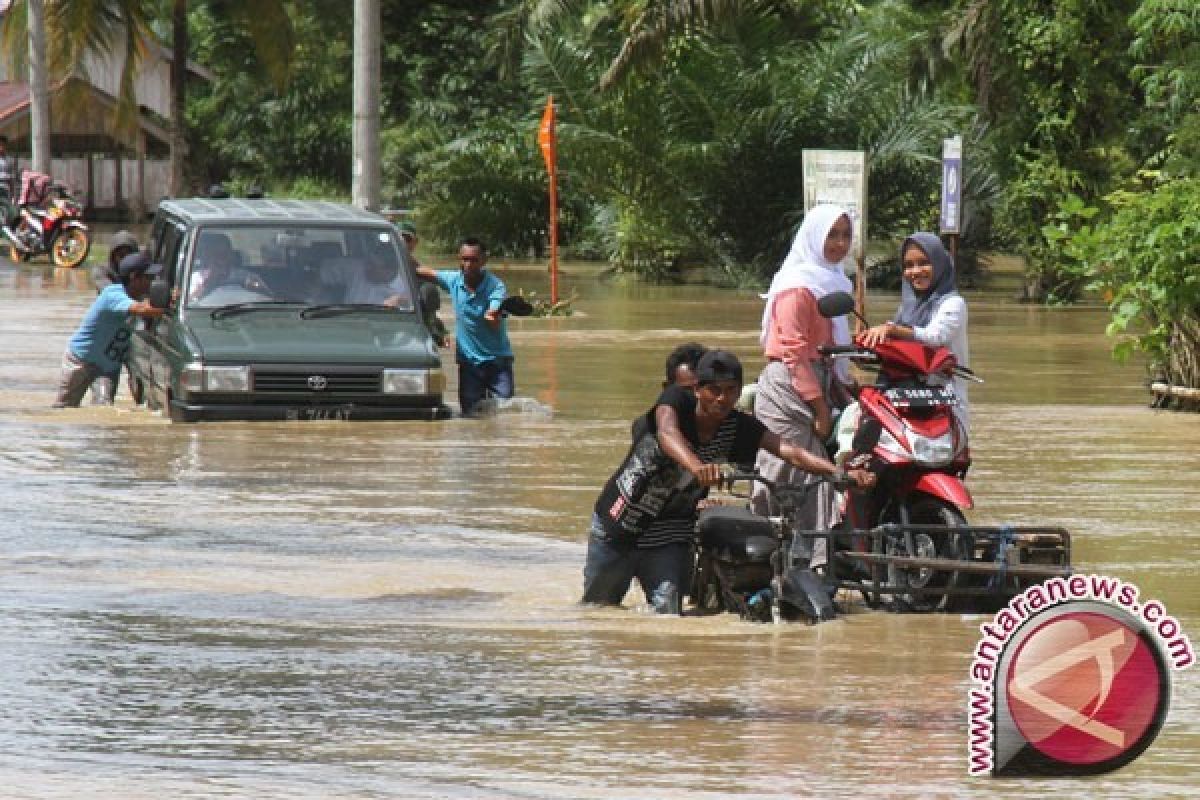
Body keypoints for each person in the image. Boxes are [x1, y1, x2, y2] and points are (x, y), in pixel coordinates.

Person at [582, 349, 872, 615]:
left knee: (667, 616)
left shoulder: (737, 427)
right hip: (619, 526)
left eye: (731, 391)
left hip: (669, 534)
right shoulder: (675, 402)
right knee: (599, 611)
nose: (722, 399)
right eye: (714, 391)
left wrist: (839, 474)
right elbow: (667, 434)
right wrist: (697, 466)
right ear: (697, 390)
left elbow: (790, 451)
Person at [751, 204, 856, 538]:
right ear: (813, 237)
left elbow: (832, 349)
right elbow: (794, 353)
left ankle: (818, 560)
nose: (840, 244)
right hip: (790, 388)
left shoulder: (834, 282)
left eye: (846, 235)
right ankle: (768, 555)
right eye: (832, 235)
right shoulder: (797, 287)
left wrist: (849, 384)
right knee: (788, 473)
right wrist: (820, 407)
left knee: (817, 479)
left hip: (819, 380)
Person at [860, 232, 970, 430]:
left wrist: (893, 330)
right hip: (906, 398)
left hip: (945, 402)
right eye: (908, 265)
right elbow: (896, 348)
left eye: (923, 263)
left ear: (939, 264)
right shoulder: (907, 308)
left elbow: (936, 336)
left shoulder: (953, 303)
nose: (915, 271)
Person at [416, 237, 515, 415]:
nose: (468, 264)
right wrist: (400, 254)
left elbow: (494, 310)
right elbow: (424, 272)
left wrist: (492, 315)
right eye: (465, 259)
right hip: (469, 364)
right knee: (470, 415)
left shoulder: (495, 286)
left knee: (505, 414)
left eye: (474, 260)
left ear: (484, 260)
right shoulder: (454, 281)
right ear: (459, 259)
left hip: (498, 363)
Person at [53, 252, 165, 408]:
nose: (152, 282)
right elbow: (141, 309)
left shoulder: (140, 298)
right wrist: (167, 307)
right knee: (64, 407)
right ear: (134, 277)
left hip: (107, 367)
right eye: (148, 277)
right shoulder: (113, 294)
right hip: (81, 360)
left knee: (104, 407)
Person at [88, 230, 142, 404]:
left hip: (133, 336)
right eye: (119, 254)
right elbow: (109, 293)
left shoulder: (143, 274)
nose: (123, 259)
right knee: (103, 397)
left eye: (128, 254)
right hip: (109, 341)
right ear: (113, 256)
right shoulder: (102, 273)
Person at [631, 342, 707, 441]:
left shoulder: (727, 423)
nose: (696, 396)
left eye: (700, 388)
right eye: (686, 391)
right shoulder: (647, 427)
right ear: (667, 389)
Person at [397, 220, 448, 346]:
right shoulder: (375, 266)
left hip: (412, 323)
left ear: (415, 243)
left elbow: (442, 281)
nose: (402, 242)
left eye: (407, 238)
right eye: (398, 238)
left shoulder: (420, 272)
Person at [187, 231, 265, 303]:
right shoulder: (195, 278)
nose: (220, 258)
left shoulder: (247, 276)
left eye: (224, 253)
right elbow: (188, 302)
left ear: (231, 255)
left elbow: (269, 298)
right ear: (207, 256)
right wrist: (209, 283)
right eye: (216, 254)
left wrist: (255, 289)